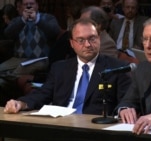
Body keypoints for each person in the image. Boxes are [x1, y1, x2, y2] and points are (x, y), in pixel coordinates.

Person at [3, 18, 132, 115]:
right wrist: (21, 103)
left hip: (95, 128)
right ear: (72, 43)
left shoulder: (117, 68)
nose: (87, 45)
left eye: (92, 38)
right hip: (62, 125)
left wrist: (124, 109)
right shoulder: (60, 68)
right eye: (81, 40)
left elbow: (126, 100)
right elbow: (43, 94)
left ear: (99, 39)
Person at [0, 0, 61, 106]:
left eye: (32, 3)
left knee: (18, 71)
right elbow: (7, 34)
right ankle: (10, 79)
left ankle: (11, 79)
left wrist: (37, 20)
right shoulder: (18, 20)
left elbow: (54, 32)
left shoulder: (48, 18)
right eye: (25, 4)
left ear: (37, 5)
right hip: (18, 59)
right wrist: (23, 20)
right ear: (21, 6)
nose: (28, 6)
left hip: (40, 59)